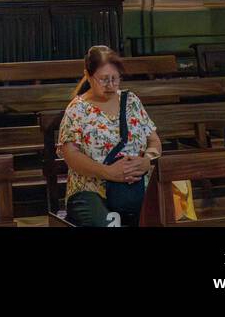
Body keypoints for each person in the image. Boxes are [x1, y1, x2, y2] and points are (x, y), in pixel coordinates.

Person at [58, 45, 161, 227]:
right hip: (91, 189)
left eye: (115, 79)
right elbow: (70, 154)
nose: (111, 85)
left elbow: (154, 141)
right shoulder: (78, 109)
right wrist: (108, 172)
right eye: (104, 80)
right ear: (88, 76)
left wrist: (147, 160)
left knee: (167, 216)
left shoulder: (131, 101)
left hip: (136, 186)